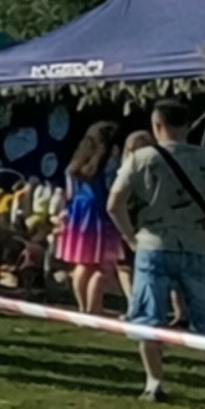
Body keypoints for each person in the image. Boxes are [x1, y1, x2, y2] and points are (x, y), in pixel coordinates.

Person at [108, 100, 205, 408]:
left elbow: (114, 204)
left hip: (153, 244)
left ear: (157, 125)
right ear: (188, 126)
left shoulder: (141, 158)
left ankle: (154, 383)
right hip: (200, 244)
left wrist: (130, 238)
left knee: (147, 317)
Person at [58, 121, 127, 315]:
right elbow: (113, 189)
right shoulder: (110, 163)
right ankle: (94, 308)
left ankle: (83, 308)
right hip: (99, 213)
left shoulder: (78, 162)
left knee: (83, 264)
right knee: (104, 268)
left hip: (78, 213)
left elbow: (69, 189)